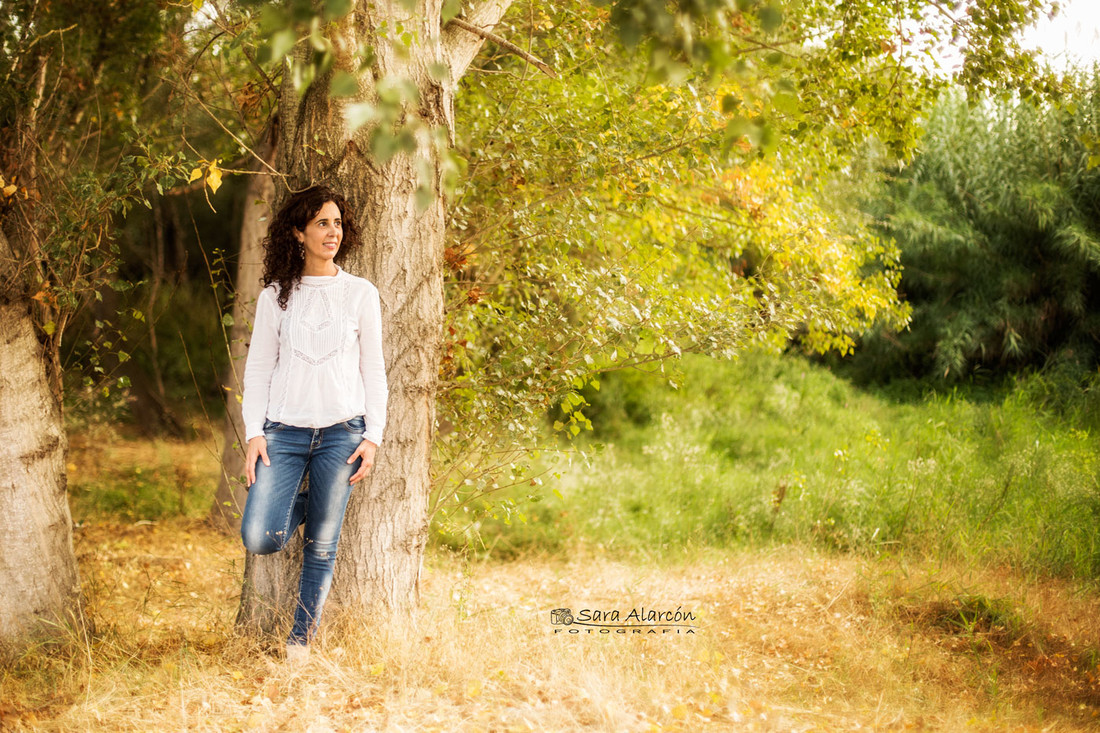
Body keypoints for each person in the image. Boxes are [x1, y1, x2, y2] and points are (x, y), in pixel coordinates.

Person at [239, 185, 387, 662]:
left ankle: (299, 642)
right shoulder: (275, 297)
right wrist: (253, 433)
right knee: (262, 536)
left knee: (322, 548)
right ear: (299, 232)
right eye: (321, 223)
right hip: (282, 432)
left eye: (338, 223)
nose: (332, 232)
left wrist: (374, 437)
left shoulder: (361, 293)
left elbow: (374, 370)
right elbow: (259, 368)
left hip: (342, 435)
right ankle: (308, 501)